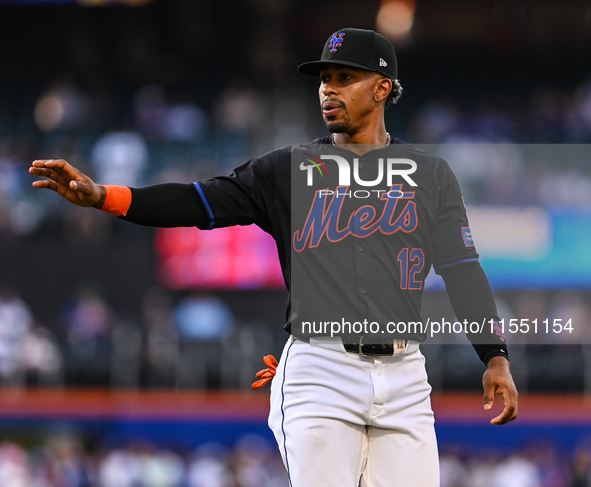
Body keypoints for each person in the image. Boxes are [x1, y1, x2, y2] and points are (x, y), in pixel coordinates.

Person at [29, 28, 518, 487]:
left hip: (406, 375)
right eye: (324, 78)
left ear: (383, 88)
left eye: (345, 77)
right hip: (322, 372)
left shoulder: (429, 176)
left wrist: (493, 355)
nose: (328, 89)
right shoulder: (289, 169)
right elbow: (200, 202)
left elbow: (462, 269)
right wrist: (106, 197)